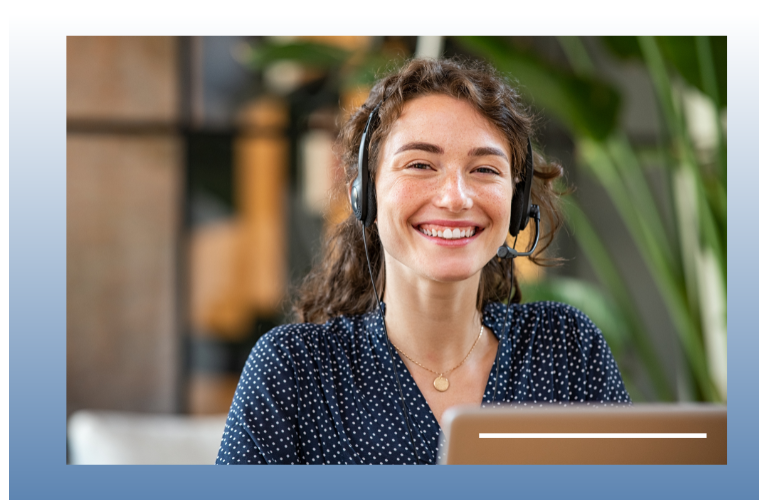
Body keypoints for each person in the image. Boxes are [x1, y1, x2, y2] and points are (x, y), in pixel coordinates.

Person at [216, 57, 630, 465]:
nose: (455, 197)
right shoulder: (295, 371)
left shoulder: (565, 350)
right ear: (366, 195)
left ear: (517, 204)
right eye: (420, 164)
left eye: (485, 169)